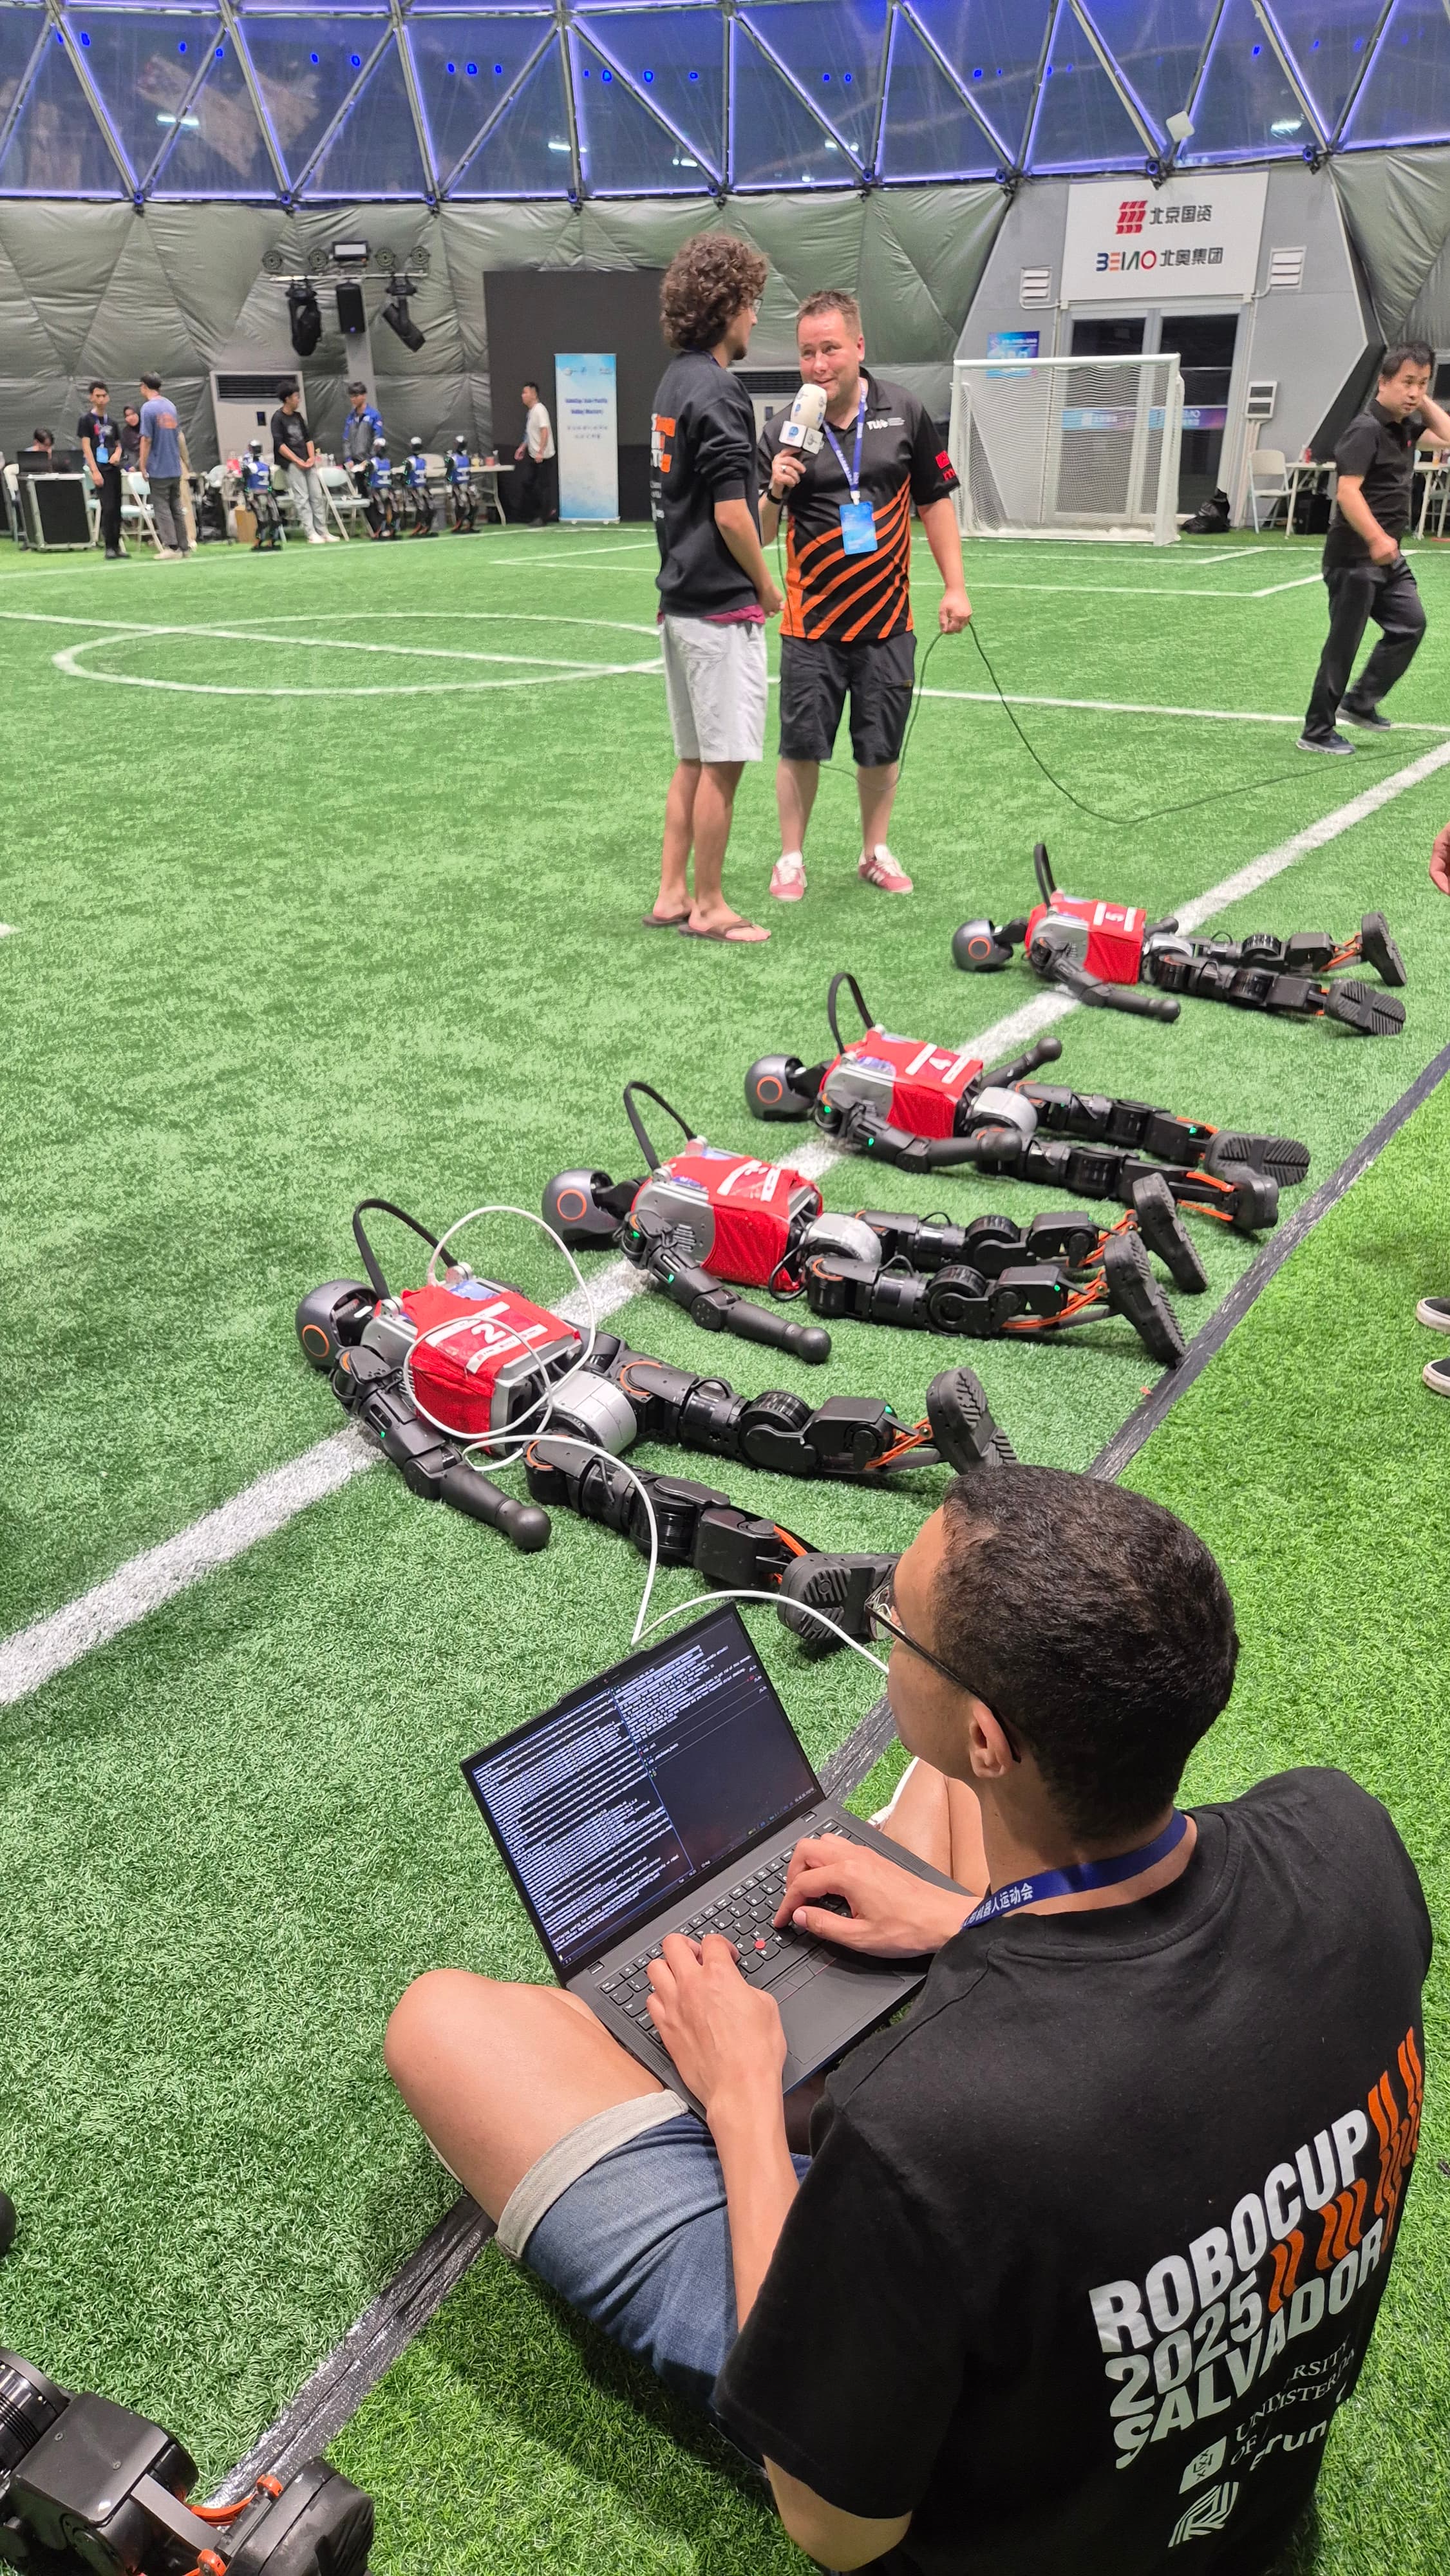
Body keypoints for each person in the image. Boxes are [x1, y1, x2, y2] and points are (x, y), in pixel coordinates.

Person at [385, 1465, 1429, 2576]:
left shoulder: (921, 2128)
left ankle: (713, 2095)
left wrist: (743, 2101)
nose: (883, 1634)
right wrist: (964, 1921)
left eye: (897, 1625)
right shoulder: (1348, 1840)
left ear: (987, 1735)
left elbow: (834, 2529)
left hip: (955, 2477)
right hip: (1223, 2488)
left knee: (441, 2024)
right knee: (931, 1799)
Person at [758, 294, 971, 902]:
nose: (819, 364)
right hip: (810, 624)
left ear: (858, 347)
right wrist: (776, 489)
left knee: (880, 745)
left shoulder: (904, 411)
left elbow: (933, 501)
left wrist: (955, 586)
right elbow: (762, 531)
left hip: (887, 621)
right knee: (800, 745)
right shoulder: (782, 429)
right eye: (807, 352)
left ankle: (874, 851)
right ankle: (791, 858)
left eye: (830, 348)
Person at [644, 234, 781, 945]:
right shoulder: (722, 391)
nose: (754, 316)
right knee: (722, 766)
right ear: (726, 307)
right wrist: (768, 585)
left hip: (678, 602)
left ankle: (672, 894)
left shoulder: (673, 381)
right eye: (750, 302)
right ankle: (709, 905)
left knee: (692, 760)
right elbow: (731, 515)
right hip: (720, 609)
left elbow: (676, 503)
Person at [1299, 342, 1450, 754]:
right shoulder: (1364, 430)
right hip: (1355, 556)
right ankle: (1316, 731)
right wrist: (1377, 538)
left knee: (1410, 625)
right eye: (1406, 382)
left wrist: (1420, 399)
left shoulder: (1404, 429)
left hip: (1389, 558)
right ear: (1383, 382)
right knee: (1343, 645)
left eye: (1422, 384)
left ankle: (1360, 702)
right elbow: (1347, 493)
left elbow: (1448, 436)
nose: (1414, 392)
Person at [270, 383, 336, 545]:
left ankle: (323, 531)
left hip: (308, 462)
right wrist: (297, 460)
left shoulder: (298, 417)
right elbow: (280, 445)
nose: (298, 400)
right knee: (303, 498)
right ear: (287, 399)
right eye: (296, 397)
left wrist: (311, 458)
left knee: (317, 496)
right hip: (292, 464)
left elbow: (308, 439)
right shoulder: (278, 418)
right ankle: (311, 533)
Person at [137, 373, 191, 560]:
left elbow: (147, 439)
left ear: (144, 387)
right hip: (174, 466)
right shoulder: (171, 406)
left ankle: (171, 546)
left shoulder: (147, 408)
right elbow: (177, 435)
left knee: (162, 507)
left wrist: (142, 465)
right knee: (176, 507)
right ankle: (184, 547)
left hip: (158, 467)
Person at [78, 380, 124, 560]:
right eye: (98, 396)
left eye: (104, 396)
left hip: (114, 468)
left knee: (117, 508)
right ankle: (109, 547)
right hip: (100, 469)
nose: (101, 399)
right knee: (108, 507)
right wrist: (95, 471)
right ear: (91, 398)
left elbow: (119, 445)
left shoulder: (112, 422)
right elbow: (86, 446)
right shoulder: (86, 420)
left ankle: (117, 546)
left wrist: (118, 454)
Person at [513, 381, 558, 525]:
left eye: (525, 393)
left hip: (543, 457)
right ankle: (535, 514)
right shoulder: (531, 412)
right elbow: (530, 433)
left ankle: (543, 517)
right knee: (529, 483)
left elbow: (544, 431)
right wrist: (522, 447)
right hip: (534, 456)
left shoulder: (540, 410)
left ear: (534, 394)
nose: (523, 396)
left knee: (543, 487)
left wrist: (540, 452)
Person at [342, 381, 384, 531]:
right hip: (356, 464)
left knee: (376, 495)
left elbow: (378, 440)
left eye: (356, 395)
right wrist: (348, 459)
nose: (353, 399)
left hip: (371, 463)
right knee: (364, 497)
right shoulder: (350, 417)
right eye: (351, 396)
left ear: (364, 396)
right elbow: (346, 440)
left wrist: (370, 459)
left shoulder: (374, 415)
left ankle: (383, 527)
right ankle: (374, 530)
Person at [120, 404, 142, 468]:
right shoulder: (125, 433)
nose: (131, 418)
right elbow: (122, 456)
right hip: (133, 470)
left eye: (133, 414)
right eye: (128, 416)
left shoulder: (147, 429)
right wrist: (128, 467)